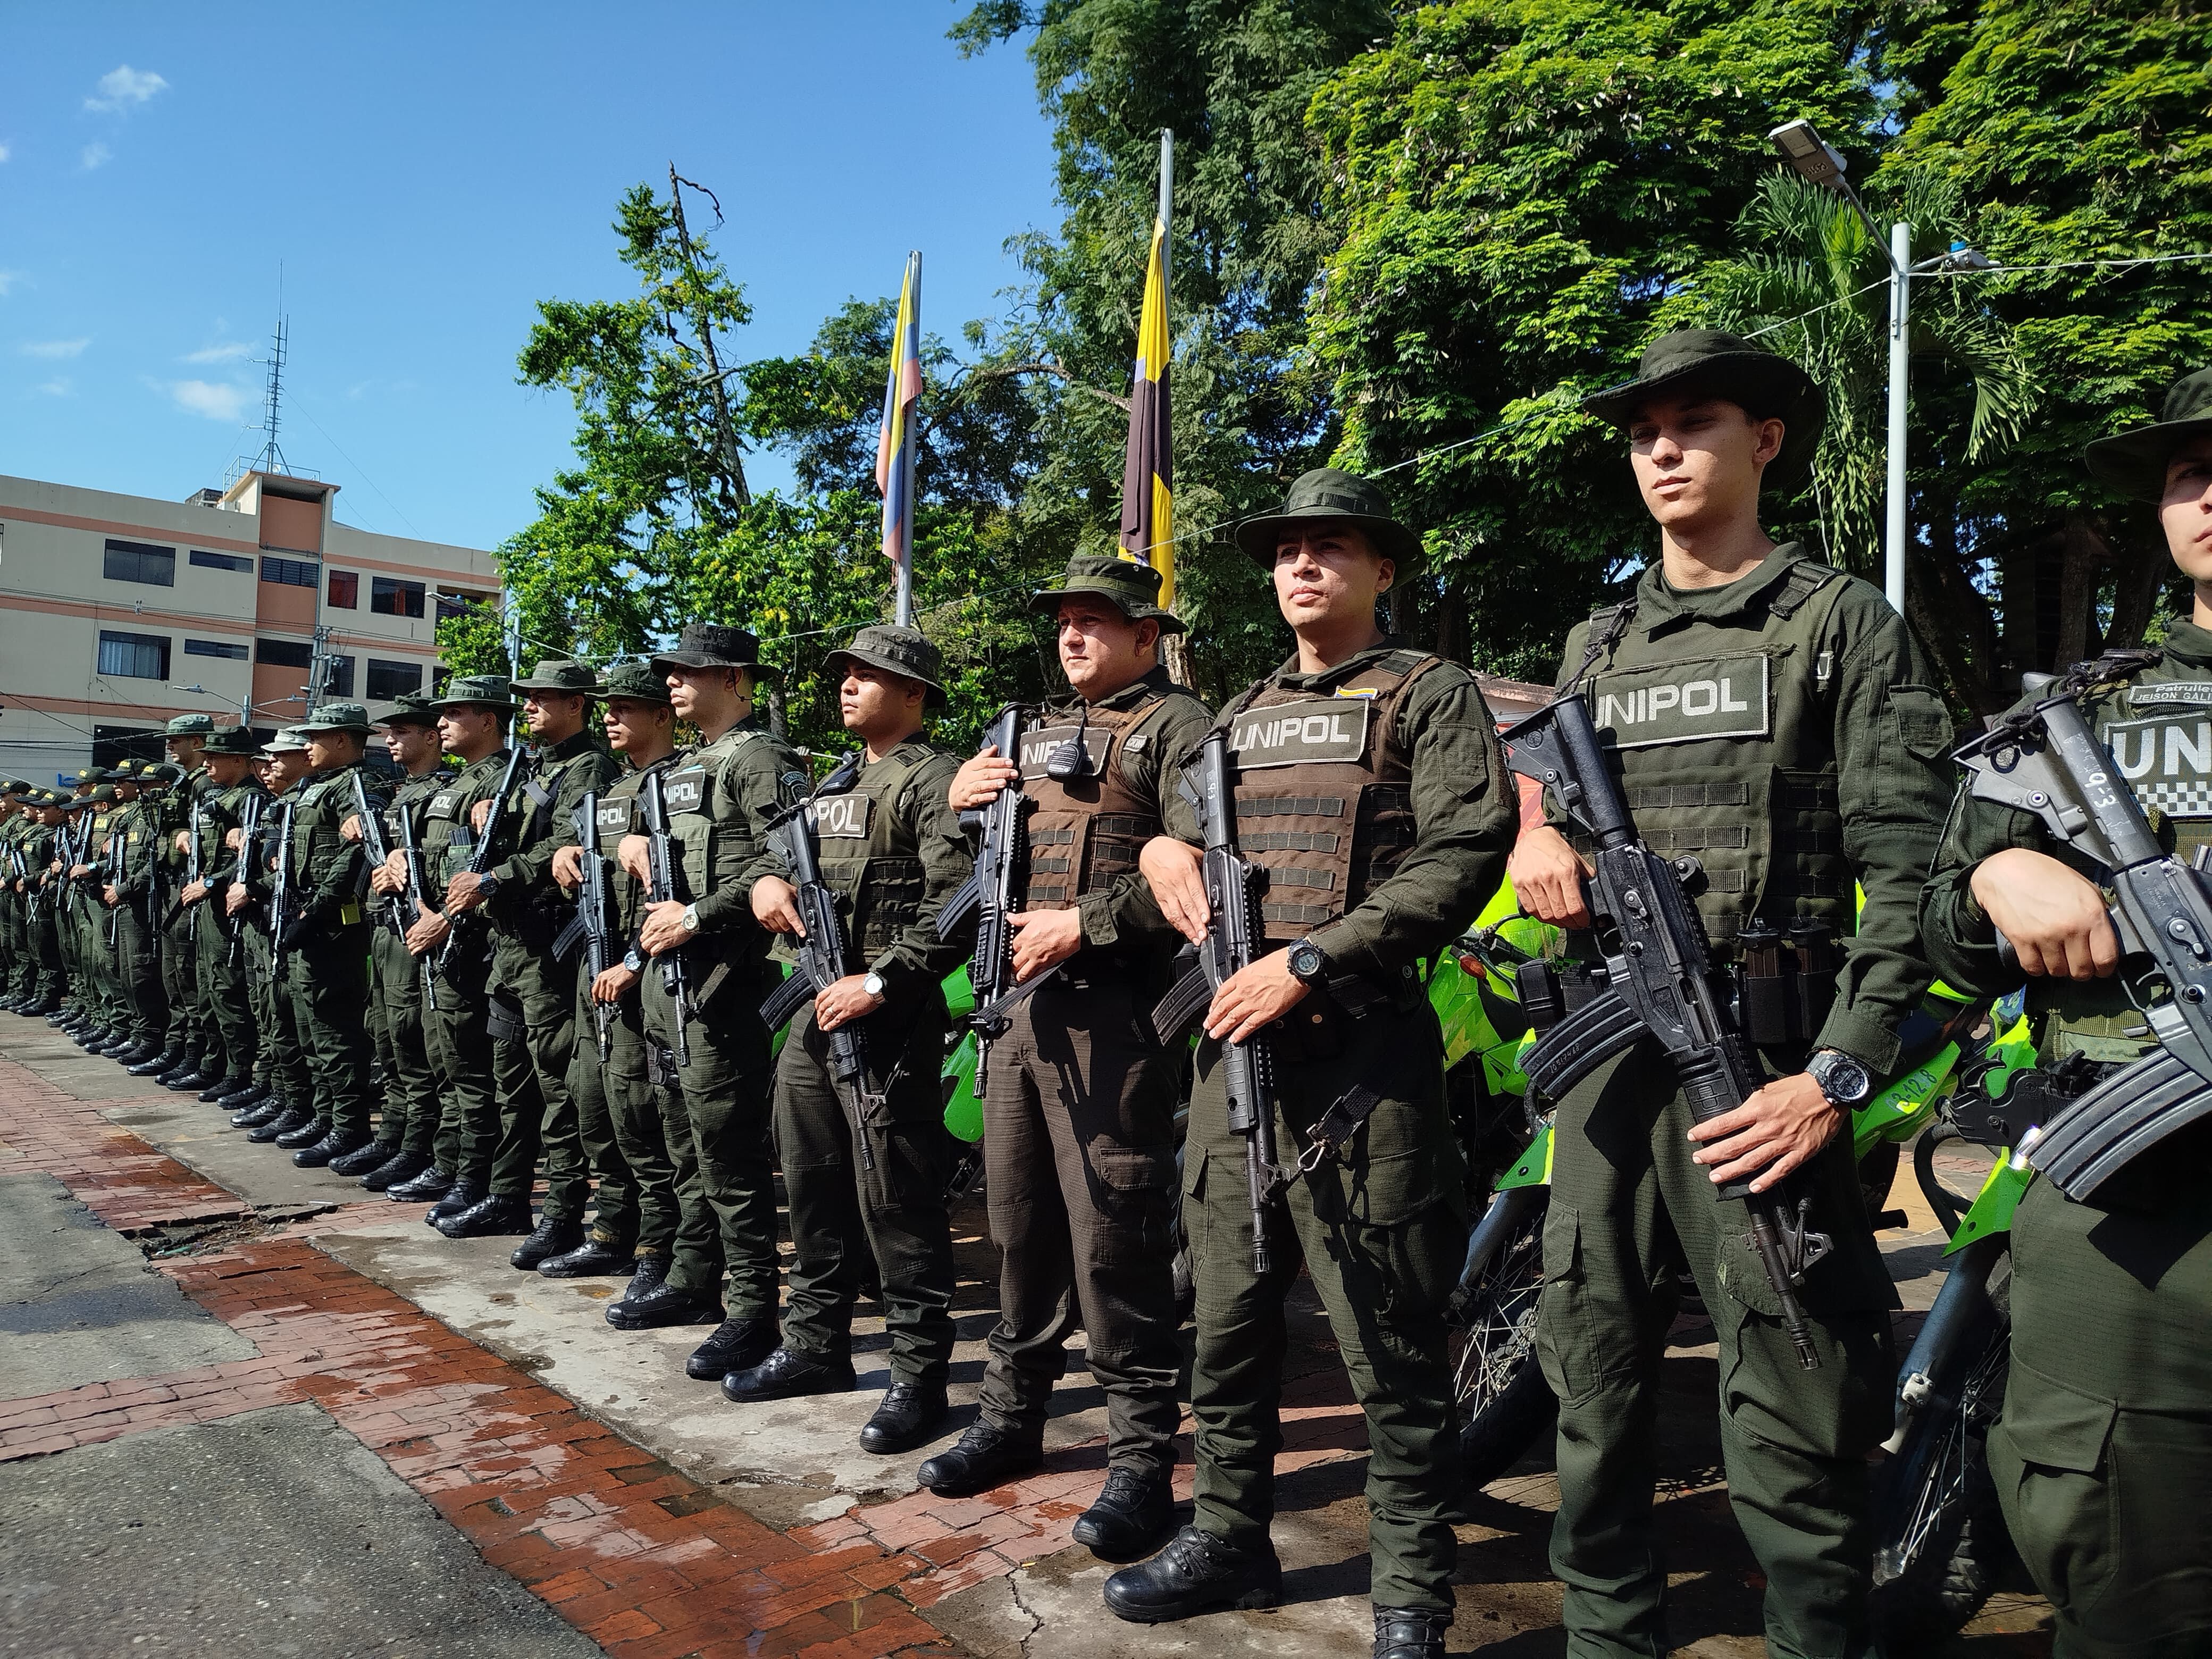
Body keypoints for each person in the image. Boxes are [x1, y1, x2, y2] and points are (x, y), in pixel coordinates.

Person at [1504, 330, 1953, 1658]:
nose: (1660, 449)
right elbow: (1540, 768)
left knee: (1796, 1414)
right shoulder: (1598, 639)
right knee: (1587, 1382)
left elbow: (1915, 880)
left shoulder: (1836, 622)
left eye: (1693, 422)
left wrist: (1836, 1077)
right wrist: (1537, 829)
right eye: (1642, 430)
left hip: (1762, 1079)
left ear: (1764, 441)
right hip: (1602, 1086)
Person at [1120, 471, 1511, 1658]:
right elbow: (1173, 828)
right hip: (1231, 1072)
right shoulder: (1234, 716)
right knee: (1224, 1324)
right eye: (1287, 550)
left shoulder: (1428, 696)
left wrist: (1309, 959)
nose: (1303, 567)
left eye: (1330, 548)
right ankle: (1230, 1535)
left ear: (1380, 570)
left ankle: (1409, 1593)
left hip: (1363, 1065)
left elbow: (1462, 854)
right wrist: (1153, 855)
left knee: (1389, 1338)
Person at [1920, 366, 2212, 1659]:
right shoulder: (2081, 721)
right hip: (2131, 1225)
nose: (2211, 498)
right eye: (2188, 474)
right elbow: (1938, 914)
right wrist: (1993, 872)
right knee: (2121, 1584)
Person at [920, 555, 1211, 1560]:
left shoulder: (1178, 729)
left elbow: (1203, 870)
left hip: (1114, 1021)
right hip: (1016, 1019)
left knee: (1113, 1242)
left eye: (1097, 621)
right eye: (1065, 622)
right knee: (1017, 1230)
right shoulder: (1024, 734)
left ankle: (1139, 1460)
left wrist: (1084, 924)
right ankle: (1010, 1419)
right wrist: (962, 808)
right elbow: (977, 873)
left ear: (1147, 636)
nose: (1074, 636)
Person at [733, 624, 975, 1452]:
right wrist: (767, 880)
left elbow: (960, 899)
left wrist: (880, 981)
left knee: (897, 1202)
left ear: (913, 695)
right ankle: (816, 1346)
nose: (846, 685)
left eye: (867, 677)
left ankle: (920, 1375)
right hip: (811, 1014)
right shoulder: (834, 781)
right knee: (812, 1188)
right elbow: (773, 853)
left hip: (884, 1020)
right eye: (844, 675)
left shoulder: (931, 781)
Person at [614, 624, 804, 1378]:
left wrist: (697, 915)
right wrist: (626, 847)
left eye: (688, 671)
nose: (671, 682)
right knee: (684, 1143)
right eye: (670, 671)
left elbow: (784, 854)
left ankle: (752, 1310)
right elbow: (651, 849)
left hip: (725, 980)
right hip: (670, 985)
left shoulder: (761, 759)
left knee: (730, 1156)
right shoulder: (688, 766)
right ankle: (696, 1279)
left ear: (734, 680)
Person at [442, 659, 630, 1258]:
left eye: (541, 698)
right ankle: (507, 1195)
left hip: (548, 953)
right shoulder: (529, 768)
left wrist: (496, 875)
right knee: (510, 1083)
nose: (527, 706)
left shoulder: (589, 766)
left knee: (558, 1089)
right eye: (524, 698)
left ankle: (565, 1213)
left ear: (576, 704)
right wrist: (485, 830)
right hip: (509, 951)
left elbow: (565, 847)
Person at [553, 662, 690, 1286]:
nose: (608, 716)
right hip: (594, 969)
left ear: (661, 715)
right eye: (605, 707)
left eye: (625, 708)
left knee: (645, 1121)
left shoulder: (672, 786)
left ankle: (654, 1251)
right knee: (596, 1110)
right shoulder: (607, 793)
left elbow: (672, 896)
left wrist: (634, 961)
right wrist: (565, 849)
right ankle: (611, 1230)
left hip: (641, 975)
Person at [390, 677, 543, 1232]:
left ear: (489, 721)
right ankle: (459, 1171)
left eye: (456, 713)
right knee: (450, 1068)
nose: (443, 724)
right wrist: (395, 862)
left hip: (476, 949)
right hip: (443, 941)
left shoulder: (510, 780)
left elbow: (489, 875)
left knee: (478, 1076)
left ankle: (473, 1179)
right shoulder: (455, 786)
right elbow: (441, 863)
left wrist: (446, 919)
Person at [336, 694, 457, 1190]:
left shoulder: (443, 790)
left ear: (431, 737)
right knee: (386, 1037)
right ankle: (395, 1134)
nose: (389, 739)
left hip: (415, 929)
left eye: (402, 731)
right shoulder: (398, 793)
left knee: (412, 1041)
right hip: (383, 929)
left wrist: (406, 862)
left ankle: (418, 1144)